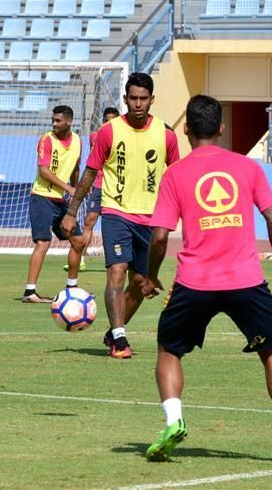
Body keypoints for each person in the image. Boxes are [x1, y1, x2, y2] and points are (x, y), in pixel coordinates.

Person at [140, 94, 272, 465]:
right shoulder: (246, 168)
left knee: (169, 350)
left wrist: (151, 278)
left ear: (185, 130)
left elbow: (159, 237)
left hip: (194, 282)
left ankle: (174, 420)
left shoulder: (175, 173)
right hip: (246, 281)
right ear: (221, 128)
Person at [60, 73, 179, 358]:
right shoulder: (109, 131)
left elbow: (177, 177)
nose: (138, 104)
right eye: (133, 99)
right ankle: (120, 339)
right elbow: (90, 172)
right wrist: (72, 211)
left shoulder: (166, 135)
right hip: (116, 212)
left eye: (143, 99)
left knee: (141, 285)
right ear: (125, 99)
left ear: (152, 100)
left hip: (151, 218)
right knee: (117, 271)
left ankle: (114, 331)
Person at [22, 105, 86, 304]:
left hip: (61, 202)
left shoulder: (77, 141)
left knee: (79, 241)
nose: (54, 124)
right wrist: (69, 188)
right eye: (53, 120)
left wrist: (74, 192)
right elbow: (44, 171)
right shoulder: (46, 140)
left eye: (58, 121)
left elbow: (76, 168)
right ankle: (30, 292)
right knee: (43, 242)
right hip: (41, 197)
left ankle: (72, 288)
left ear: (69, 121)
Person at [63, 106, 120, 273]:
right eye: (105, 120)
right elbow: (93, 162)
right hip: (98, 186)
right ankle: (80, 259)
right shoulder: (95, 136)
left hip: (116, 188)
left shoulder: (122, 136)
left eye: (112, 120)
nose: (108, 123)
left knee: (115, 226)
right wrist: (89, 183)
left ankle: (116, 260)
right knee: (89, 222)